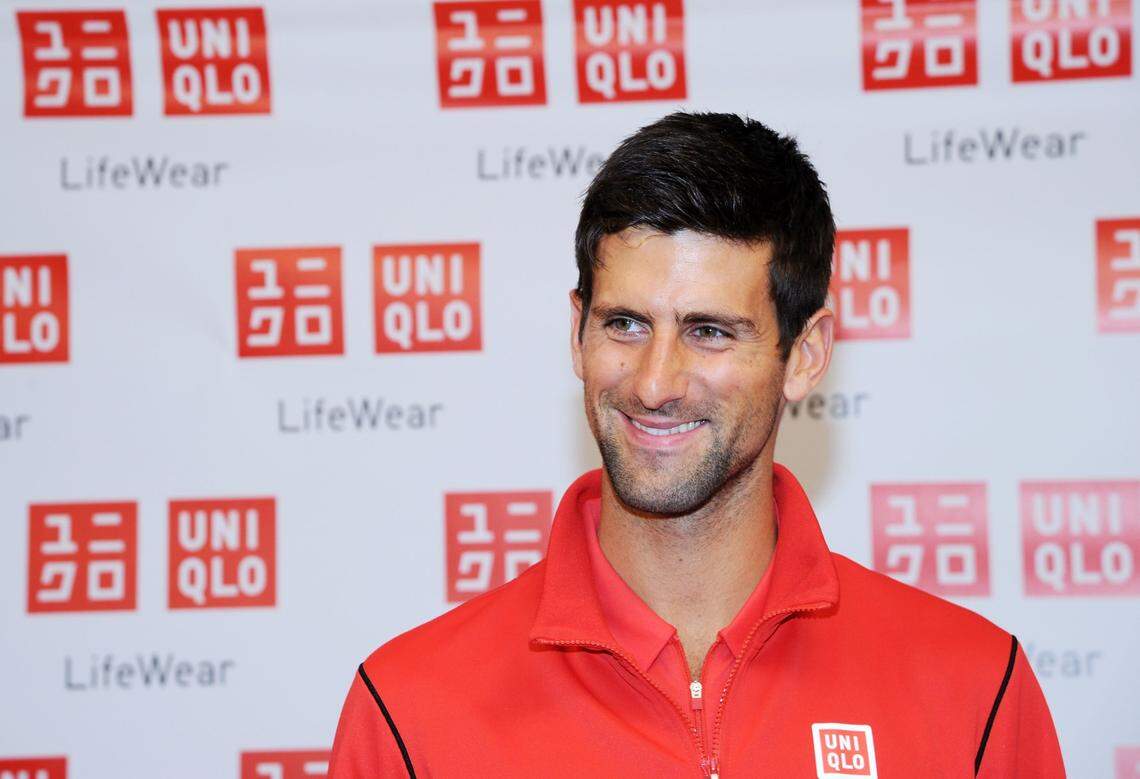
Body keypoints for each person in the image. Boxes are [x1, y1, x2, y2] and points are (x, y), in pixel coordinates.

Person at [328, 112, 1065, 778]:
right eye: (625, 324)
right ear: (577, 331)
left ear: (805, 354)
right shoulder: (411, 712)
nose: (654, 383)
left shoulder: (972, 690)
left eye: (709, 331)